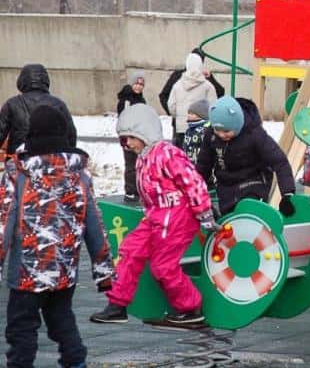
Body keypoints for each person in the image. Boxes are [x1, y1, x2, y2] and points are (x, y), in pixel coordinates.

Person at [0, 105, 114, 368]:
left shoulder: (18, 174)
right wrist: (103, 269)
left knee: (21, 330)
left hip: (26, 273)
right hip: (64, 271)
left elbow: (4, 222)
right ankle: (76, 363)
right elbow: (94, 222)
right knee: (63, 322)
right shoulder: (79, 175)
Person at [90, 104, 216, 326]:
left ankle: (190, 307)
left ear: (145, 133)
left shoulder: (167, 154)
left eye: (131, 137)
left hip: (177, 217)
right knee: (130, 251)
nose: (127, 143)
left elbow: (192, 181)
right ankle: (117, 304)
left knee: (163, 266)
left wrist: (203, 211)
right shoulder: (144, 159)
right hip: (156, 215)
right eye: (124, 139)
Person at [196, 96, 296, 217]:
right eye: (217, 130)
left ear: (237, 124)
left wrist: (287, 193)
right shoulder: (211, 136)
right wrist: (194, 190)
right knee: (230, 218)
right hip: (226, 184)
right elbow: (204, 164)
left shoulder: (254, 134)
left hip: (253, 181)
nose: (222, 135)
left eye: (227, 131)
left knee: (247, 211)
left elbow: (279, 161)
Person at [0, 64, 77, 156]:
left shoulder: (11, 104)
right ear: (45, 80)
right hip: (51, 161)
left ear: (22, 81)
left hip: (19, 161)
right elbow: (71, 135)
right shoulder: (58, 104)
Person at [159, 48, 225, 145]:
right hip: (202, 128)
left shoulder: (178, 82)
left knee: (180, 157)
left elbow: (171, 105)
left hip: (181, 127)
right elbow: (214, 106)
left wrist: (178, 115)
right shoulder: (206, 84)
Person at [116, 71, 147, 203]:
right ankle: (130, 191)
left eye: (141, 84)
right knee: (130, 164)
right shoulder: (127, 99)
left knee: (139, 164)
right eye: (136, 83)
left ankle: (138, 189)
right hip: (128, 136)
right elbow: (125, 117)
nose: (139, 86)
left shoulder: (141, 99)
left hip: (139, 136)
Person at [182, 99, 210, 166]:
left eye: (192, 114)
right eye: (188, 113)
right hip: (188, 161)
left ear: (202, 115)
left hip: (200, 162)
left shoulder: (205, 130)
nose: (189, 115)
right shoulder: (189, 129)